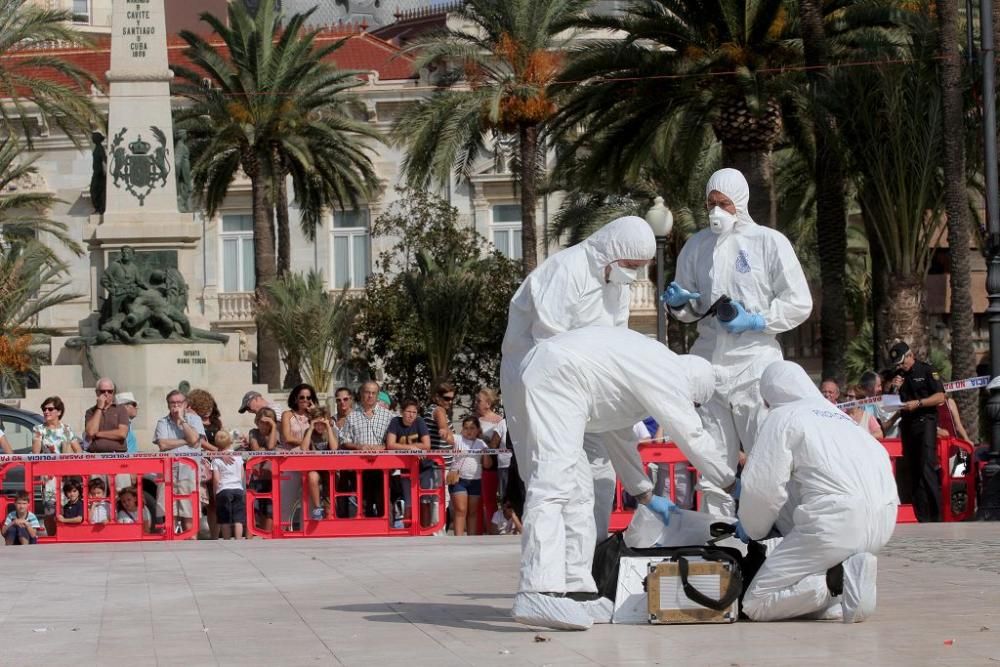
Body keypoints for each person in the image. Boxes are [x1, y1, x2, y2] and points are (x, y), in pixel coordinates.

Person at [510, 326, 737, 631]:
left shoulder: (640, 373)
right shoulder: (668, 370)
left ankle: (578, 591)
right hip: (560, 375)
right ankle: (536, 588)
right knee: (553, 484)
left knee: (580, 495)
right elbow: (691, 434)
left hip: (563, 376)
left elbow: (619, 437)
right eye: (692, 403)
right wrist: (731, 483)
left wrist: (644, 494)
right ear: (692, 388)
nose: (688, 406)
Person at [663, 167, 812, 516]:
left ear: (740, 203)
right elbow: (692, 308)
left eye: (724, 203)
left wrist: (759, 320)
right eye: (710, 203)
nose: (716, 211)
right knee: (713, 464)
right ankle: (721, 541)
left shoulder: (768, 242)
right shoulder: (696, 246)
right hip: (709, 365)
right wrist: (679, 304)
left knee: (767, 459)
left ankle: (777, 533)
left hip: (755, 363)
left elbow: (800, 302)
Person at [501, 216, 656, 539]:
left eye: (639, 267)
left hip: (588, 386)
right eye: (630, 264)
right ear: (612, 252)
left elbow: (614, 352)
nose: (634, 273)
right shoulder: (565, 272)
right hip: (543, 385)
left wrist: (642, 489)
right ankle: (562, 572)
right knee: (561, 480)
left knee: (599, 472)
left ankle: (592, 559)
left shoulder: (618, 285)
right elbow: (550, 348)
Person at [735, 360, 898, 623]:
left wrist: (751, 526)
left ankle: (834, 582)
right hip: (883, 523)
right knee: (824, 608)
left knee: (756, 602)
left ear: (771, 394)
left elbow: (762, 489)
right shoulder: (842, 418)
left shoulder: (783, 417)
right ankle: (841, 594)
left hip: (835, 525)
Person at [887, 342, 946, 522]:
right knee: (913, 471)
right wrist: (893, 387)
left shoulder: (926, 370)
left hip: (925, 422)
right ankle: (922, 517)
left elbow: (940, 397)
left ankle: (936, 517)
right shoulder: (897, 375)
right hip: (907, 425)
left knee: (926, 467)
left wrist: (918, 403)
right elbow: (888, 405)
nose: (900, 366)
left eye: (901, 362)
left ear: (910, 355)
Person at [153, 389, 205, 535]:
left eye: (179, 403)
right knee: (169, 511)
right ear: (168, 405)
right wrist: (185, 441)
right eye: (172, 403)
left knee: (189, 512)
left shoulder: (194, 420)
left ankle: (191, 540)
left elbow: (195, 440)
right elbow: (163, 444)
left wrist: (182, 421)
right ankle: (171, 541)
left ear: (185, 404)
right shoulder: (162, 422)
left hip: (188, 471)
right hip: (168, 471)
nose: (176, 406)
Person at [343, 381, 395, 518]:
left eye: (373, 393)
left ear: (378, 395)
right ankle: (367, 536)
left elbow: (396, 440)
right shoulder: (352, 416)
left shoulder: (389, 416)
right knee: (364, 505)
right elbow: (344, 441)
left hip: (382, 467)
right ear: (361, 394)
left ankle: (386, 535)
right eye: (367, 392)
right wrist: (359, 446)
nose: (370, 396)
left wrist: (383, 447)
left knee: (383, 503)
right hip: (360, 468)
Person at [32, 396, 82, 536]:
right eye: (44, 409)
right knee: (50, 510)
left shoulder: (66, 429)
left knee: (67, 506)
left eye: (50, 409)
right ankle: (52, 536)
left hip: (66, 475)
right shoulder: (39, 429)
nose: (46, 412)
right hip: (49, 476)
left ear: (59, 412)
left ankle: (65, 535)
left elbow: (78, 451)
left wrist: (72, 466)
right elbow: (35, 454)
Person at [449, 415, 490, 536]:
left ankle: (470, 540)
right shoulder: (457, 439)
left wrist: (486, 454)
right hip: (458, 480)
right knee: (460, 510)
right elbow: (448, 437)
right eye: (466, 428)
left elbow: (487, 465)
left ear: (478, 430)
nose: (469, 431)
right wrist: (444, 431)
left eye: (472, 428)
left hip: (475, 481)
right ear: (462, 429)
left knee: (472, 512)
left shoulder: (481, 443)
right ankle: (458, 540)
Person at [247, 407, 278, 532]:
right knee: (254, 508)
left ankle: (267, 535)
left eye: (268, 423)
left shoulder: (276, 432)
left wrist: (274, 427)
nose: (264, 426)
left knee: (269, 509)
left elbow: (271, 446)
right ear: (257, 421)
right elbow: (256, 451)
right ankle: (252, 534)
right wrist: (266, 451)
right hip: (256, 476)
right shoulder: (253, 432)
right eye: (262, 422)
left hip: (271, 476)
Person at [303, 406, 337, 520]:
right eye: (316, 423)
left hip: (330, 469)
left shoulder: (331, 431)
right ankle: (317, 507)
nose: (319, 426)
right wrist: (310, 428)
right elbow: (303, 448)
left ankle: (329, 512)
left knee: (330, 506)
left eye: (322, 423)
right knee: (312, 476)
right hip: (315, 467)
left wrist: (328, 427)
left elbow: (334, 449)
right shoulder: (309, 432)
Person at [475, 388, 509, 499]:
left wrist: (482, 438)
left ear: (488, 404)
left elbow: (500, 444)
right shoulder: (474, 420)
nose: (475, 403)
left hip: (493, 466)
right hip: (474, 466)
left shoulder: (500, 421)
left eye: (479, 401)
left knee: (490, 500)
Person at [212, 431, 246, 539]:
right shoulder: (238, 456)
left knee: (225, 519)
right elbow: (241, 474)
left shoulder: (216, 458)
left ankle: (226, 540)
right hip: (238, 489)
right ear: (230, 442)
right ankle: (238, 540)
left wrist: (215, 493)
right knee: (238, 519)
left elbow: (216, 479)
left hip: (224, 489)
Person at [83, 377, 129, 452]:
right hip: (96, 454)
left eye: (110, 391)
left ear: (113, 393)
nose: (106, 394)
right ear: (97, 393)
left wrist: (98, 434)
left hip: (117, 454)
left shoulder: (120, 409)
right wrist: (99, 408)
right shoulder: (90, 412)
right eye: (102, 391)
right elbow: (91, 432)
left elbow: (122, 433)